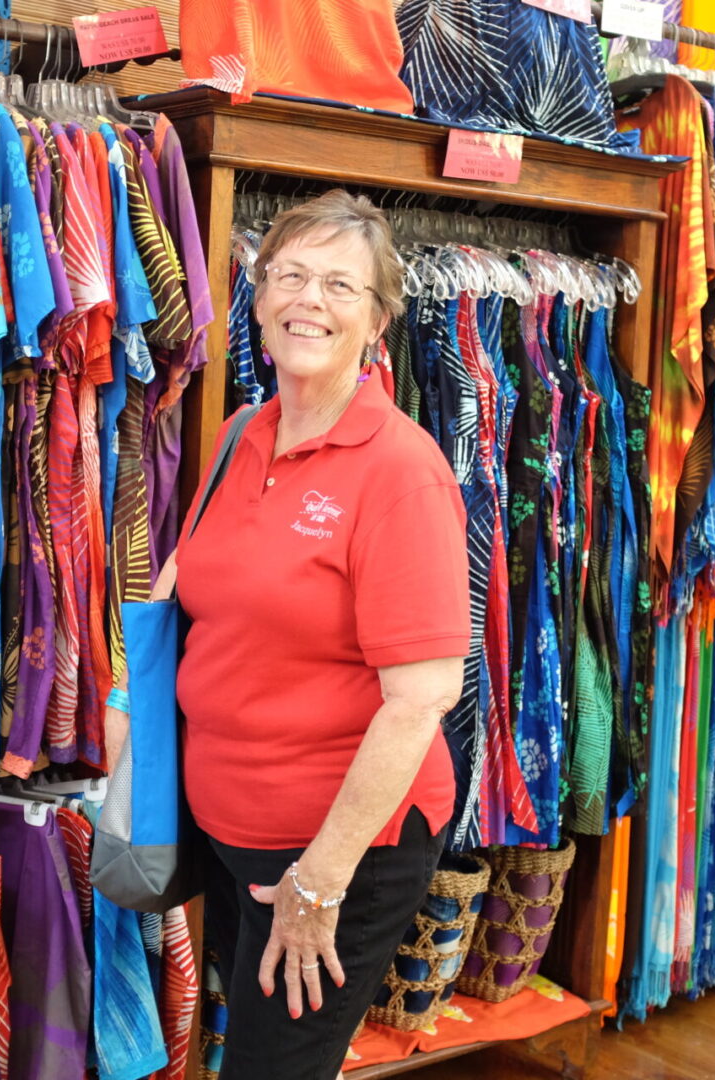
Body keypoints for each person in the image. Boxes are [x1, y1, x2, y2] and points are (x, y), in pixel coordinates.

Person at [122, 189, 470, 1078]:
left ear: (378, 320)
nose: (308, 300)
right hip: (233, 833)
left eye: (340, 286)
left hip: (336, 853)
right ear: (259, 297)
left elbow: (423, 695)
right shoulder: (246, 432)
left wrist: (319, 881)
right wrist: (127, 710)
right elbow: (185, 581)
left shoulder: (402, 473)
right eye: (290, 276)